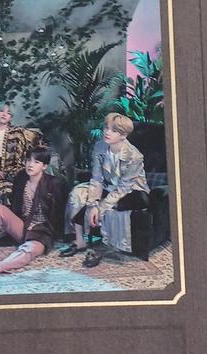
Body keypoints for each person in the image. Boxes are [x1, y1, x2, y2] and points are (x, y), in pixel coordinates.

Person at [0, 146, 66, 291]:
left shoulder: (54, 183)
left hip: (42, 232)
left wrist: (59, 236)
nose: (30, 165)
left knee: (29, 249)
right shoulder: (21, 178)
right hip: (23, 225)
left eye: (36, 162)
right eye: (28, 160)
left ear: (44, 166)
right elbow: (15, 205)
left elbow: (58, 213)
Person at [61, 113, 149, 266]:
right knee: (78, 193)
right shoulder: (99, 146)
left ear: (123, 135)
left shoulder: (135, 157)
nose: (107, 132)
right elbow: (97, 178)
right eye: (106, 128)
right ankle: (79, 240)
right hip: (108, 185)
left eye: (113, 131)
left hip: (131, 191)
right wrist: (93, 204)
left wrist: (100, 207)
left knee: (113, 207)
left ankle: (105, 248)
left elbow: (123, 188)